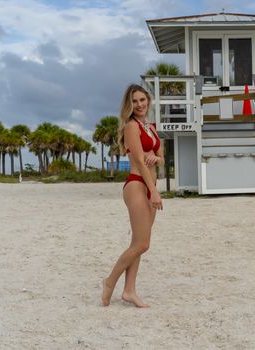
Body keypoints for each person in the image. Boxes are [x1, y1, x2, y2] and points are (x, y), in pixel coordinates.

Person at [102, 84, 164, 308]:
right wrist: (154, 191)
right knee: (143, 244)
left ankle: (129, 290)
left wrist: (157, 160)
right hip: (138, 184)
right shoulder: (131, 126)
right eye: (134, 101)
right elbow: (138, 160)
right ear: (130, 105)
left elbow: (161, 156)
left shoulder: (150, 127)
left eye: (142, 100)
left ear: (148, 100)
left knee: (137, 242)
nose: (139, 105)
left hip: (150, 184)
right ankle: (110, 282)